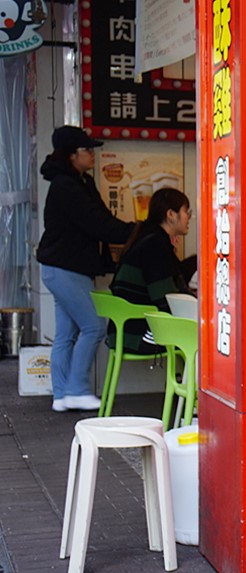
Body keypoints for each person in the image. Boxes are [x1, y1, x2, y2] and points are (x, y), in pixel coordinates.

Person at [37, 125, 134, 412]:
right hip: (65, 268)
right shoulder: (66, 187)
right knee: (93, 326)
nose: (92, 154)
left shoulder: (80, 182)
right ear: (71, 156)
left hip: (61, 268)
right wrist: (137, 232)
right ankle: (76, 389)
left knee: (66, 333)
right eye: (86, 150)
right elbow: (97, 223)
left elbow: (101, 218)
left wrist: (130, 230)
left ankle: (62, 395)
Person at [109, 188, 194, 354]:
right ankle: (189, 380)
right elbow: (165, 298)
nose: (188, 218)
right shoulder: (155, 244)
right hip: (140, 333)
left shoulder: (146, 236)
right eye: (186, 211)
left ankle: (186, 380)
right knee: (205, 337)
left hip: (124, 330)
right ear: (171, 214)